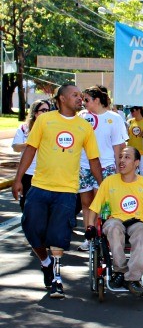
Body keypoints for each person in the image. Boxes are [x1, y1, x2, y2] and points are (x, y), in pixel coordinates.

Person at [12, 84, 102, 298]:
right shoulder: (45, 120)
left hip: (67, 190)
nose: (80, 99)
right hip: (40, 186)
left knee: (58, 235)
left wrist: (104, 184)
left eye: (81, 96)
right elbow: (31, 149)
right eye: (75, 95)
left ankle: (56, 278)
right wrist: (18, 179)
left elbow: (93, 159)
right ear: (61, 99)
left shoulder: (84, 126)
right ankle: (45, 262)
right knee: (32, 229)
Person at [86, 147, 143, 296]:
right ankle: (121, 271)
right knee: (113, 228)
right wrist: (90, 226)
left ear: (136, 163)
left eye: (127, 157)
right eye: (121, 157)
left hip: (137, 222)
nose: (122, 160)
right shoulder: (109, 182)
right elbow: (95, 207)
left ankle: (132, 279)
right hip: (114, 220)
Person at [77, 85, 128, 252]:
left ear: (97, 100)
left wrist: (119, 169)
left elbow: (118, 147)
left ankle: (102, 236)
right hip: (84, 166)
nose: (83, 103)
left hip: (106, 165)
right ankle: (89, 237)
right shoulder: (82, 117)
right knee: (86, 202)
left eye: (87, 100)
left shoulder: (114, 118)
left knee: (101, 203)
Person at [12, 99, 51, 211]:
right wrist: (30, 144)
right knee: (27, 205)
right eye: (43, 110)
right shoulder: (24, 128)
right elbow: (15, 147)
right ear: (35, 112)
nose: (46, 113)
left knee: (43, 207)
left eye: (48, 110)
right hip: (28, 173)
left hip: (46, 174)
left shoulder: (52, 128)